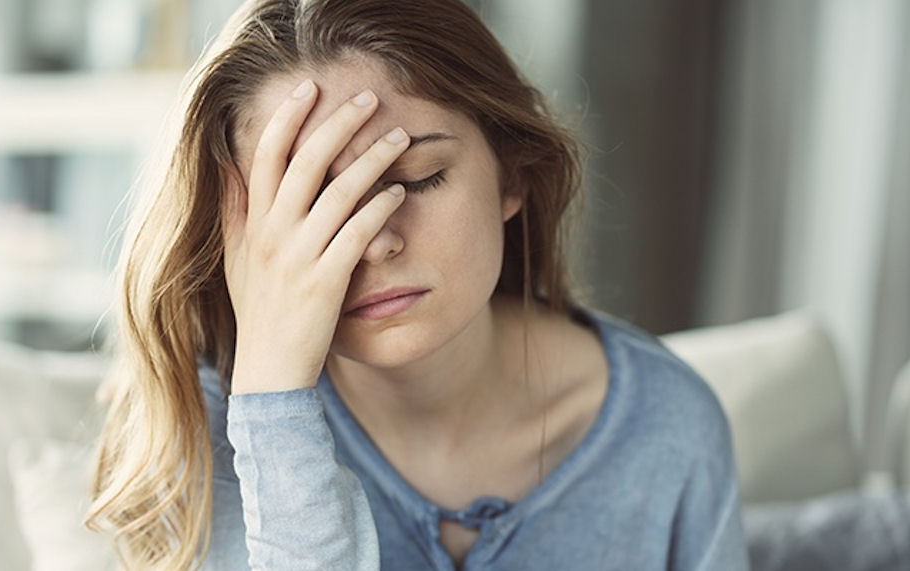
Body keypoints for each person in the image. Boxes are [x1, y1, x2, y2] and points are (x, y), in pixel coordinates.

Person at [85, 0, 750, 569]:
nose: (375, 242)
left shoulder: (668, 430)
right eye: (315, 204)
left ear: (511, 175)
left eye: (419, 178)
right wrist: (273, 404)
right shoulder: (197, 427)